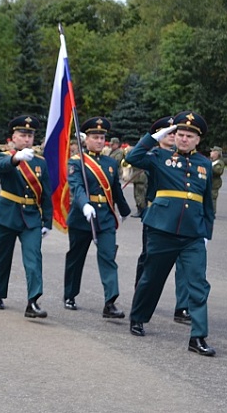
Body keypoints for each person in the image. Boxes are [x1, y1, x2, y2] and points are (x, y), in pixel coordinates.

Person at [126, 111, 216, 356]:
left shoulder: (205, 164)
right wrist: (154, 137)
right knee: (152, 278)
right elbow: (133, 157)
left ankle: (198, 337)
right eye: (180, 134)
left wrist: (206, 232)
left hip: (192, 234)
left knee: (198, 284)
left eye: (190, 136)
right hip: (162, 230)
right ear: (174, 136)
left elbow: (207, 202)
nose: (184, 139)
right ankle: (138, 317)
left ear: (198, 140)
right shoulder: (159, 156)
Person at [63, 116, 132, 317]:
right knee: (76, 258)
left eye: (102, 137)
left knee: (108, 257)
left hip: (105, 218)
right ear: (86, 139)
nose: (100, 141)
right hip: (82, 217)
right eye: (95, 137)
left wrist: (124, 210)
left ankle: (110, 302)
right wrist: (85, 205)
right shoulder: (76, 162)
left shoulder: (110, 162)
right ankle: (70, 294)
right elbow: (76, 186)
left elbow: (115, 189)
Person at [0, 116, 52, 317]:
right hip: (7, 215)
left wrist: (47, 222)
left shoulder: (40, 162)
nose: (26, 139)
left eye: (30, 136)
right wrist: (17, 158)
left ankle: (33, 301)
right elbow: (2, 166)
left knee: (34, 258)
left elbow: (46, 194)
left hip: (31, 217)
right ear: (13, 137)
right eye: (22, 135)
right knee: (2, 257)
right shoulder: (4, 156)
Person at [134, 116, 191, 325]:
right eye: (168, 132)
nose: (173, 136)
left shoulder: (185, 157)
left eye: (174, 132)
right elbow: (133, 158)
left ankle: (182, 307)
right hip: (157, 215)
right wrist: (151, 140)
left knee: (184, 263)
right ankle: (140, 297)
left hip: (181, 217)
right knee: (150, 260)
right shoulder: (153, 156)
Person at [210, 146, 225, 214]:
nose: (210, 153)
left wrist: (209, 167)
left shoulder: (219, 162)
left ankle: (212, 212)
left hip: (214, 184)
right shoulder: (212, 161)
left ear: (216, 153)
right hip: (210, 182)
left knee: (212, 197)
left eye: (212, 151)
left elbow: (218, 171)